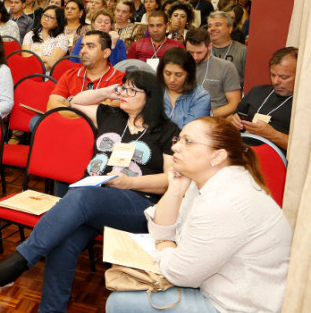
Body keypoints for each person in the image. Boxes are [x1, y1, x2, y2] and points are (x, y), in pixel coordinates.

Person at [0, 71, 179, 312]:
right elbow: (76, 101)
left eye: (131, 90)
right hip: (92, 199)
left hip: (138, 204)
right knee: (63, 240)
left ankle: (20, 260)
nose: (123, 94)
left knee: (81, 197)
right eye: (123, 88)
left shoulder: (167, 130)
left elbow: (170, 180)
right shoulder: (111, 115)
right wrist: (108, 92)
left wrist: (130, 183)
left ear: (150, 98)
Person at [105, 117, 292, 313]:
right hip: (218, 288)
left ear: (218, 156)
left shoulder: (224, 200)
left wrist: (164, 243)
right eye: (178, 139)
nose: (176, 147)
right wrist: (175, 189)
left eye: (189, 141)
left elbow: (180, 274)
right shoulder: (207, 179)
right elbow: (160, 227)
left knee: (119, 303)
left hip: (236, 306)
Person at [231, 46, 297, 151]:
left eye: (284, 77)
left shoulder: (303, 106)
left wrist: (272, 135)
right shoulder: (257, 91)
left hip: (275, 157)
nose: (276, 82)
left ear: (299, 75)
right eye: (273, 75)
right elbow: (230, 118)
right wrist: (233, 120)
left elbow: (303, 150)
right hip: (241, 149)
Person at [48, 30, 125, 111]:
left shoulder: (121, 79)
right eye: (82, 47)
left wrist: (69, 103)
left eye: (90, 46)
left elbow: (112, 112)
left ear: (106, 53)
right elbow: (51, 107)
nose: (83, 51)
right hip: (67, 123)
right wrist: (97, 107)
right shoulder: (70, 75)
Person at [184, 28, 241, 118]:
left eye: (199, 52)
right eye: (190, 52)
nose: (195, 57)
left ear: (209, 46)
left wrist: (209, 115)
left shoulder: (226, 67)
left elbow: (234, 103)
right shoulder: (181, 65)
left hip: (213, 117)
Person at [158, 48, 211, 128]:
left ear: (188, 74)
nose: (172, 79)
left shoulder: (200, 96)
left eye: (178, 75)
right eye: (167, 73)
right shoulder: (154, 90)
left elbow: (189, 130)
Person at [22, 5, 69, 70]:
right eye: (45, 15)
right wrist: (46, 58)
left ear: (58, 22)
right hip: (28, 70)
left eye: (51, 18)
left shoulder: (62, 38)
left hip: (47, 75)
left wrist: (36, 68)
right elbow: (25, 56)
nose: (46, 19)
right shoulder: (30, 34)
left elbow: (52, 62)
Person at [207, 11, 247, 86]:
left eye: (217, 25)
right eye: (209, 26)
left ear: (230, 28)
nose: (212, 28)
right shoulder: (202, 50)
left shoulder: (243, 51)